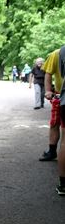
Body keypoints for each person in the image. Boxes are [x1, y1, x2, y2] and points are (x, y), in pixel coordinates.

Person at [43, 46, 65, 195]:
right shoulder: (56, 54)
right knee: (55, 123)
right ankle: (52, 151)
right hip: (59, 95)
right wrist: (48, 90)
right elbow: (48, 74)